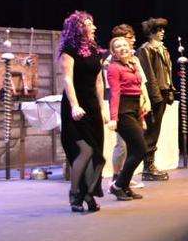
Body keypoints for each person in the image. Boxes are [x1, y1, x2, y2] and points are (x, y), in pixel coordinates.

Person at [59, 11, 108, 212]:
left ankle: (89, 194)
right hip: (75, 106)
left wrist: (102, 106)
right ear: (79, 28)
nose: (94, 27)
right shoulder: (68, 50)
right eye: (89, 24)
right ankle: (76, 194)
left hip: (92, 107)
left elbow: (98, 81)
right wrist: (74, 105)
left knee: (97, 155)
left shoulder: (96, 51)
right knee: (85, 151)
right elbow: (67, 79)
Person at [106, 36, 152, 201]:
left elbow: (138, 88)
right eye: (118, 47)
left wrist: (143, 107)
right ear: (113, 52)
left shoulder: (133, 64)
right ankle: (118, 185)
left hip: (134, 109)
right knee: (140, 150)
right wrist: (114, 118)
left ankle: (124, 186)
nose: (123, 48)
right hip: (123, 111)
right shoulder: (114, 68)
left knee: (135, 150)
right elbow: (115, 93)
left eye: (124, 45)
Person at [136, 17, 173, 181]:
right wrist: (155, 97)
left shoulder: (162, 49)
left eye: (163, 29)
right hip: (154, 94)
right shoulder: (146, 49)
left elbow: (167, 72)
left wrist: (170, 90)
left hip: (163, 91)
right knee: (151, 130)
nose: (162, 32)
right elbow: (148, 76)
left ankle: (150, 165)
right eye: (159, 30)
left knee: (156, 129)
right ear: (151, 32)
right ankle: (147, 167)